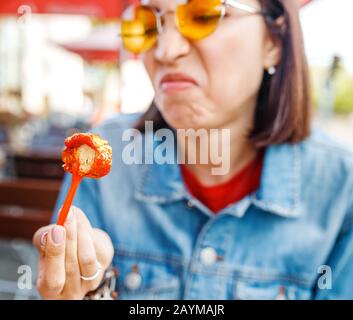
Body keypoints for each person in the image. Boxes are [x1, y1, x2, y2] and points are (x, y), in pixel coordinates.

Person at [32, 0, 353, 300]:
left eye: (203, 15)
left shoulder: (341, 190)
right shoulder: (104, 155)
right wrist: (89, 290)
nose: (166, 50)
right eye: (148, 23)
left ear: (274, 41)